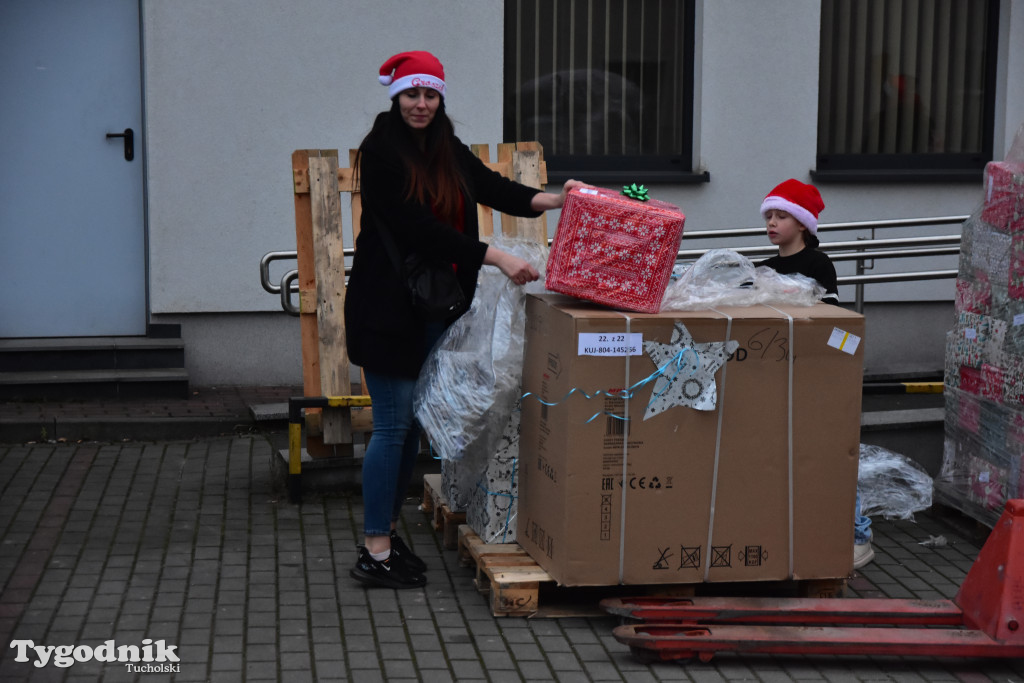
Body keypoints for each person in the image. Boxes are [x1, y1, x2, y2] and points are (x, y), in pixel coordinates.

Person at [344, 50, 584, 589]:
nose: (422, 105)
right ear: (396, 97)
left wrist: (552, 200)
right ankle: (375, 549)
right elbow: (416, 228)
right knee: (392, 426)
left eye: (430, 95)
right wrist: (495, 256)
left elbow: (490, 186)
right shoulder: (381, 152)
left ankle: (383, 536)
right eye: (412, 94)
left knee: (407, 431)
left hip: (429, 306)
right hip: (385, 310)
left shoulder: (444, 146)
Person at [756, 178, 874, 569]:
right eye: (769, 216)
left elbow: (836, 325)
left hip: (817, 377)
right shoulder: (764, 268)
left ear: (803, 223)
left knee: (829, 455)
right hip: (777, 379)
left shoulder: (818, 265)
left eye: (782, 216)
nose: (772, 223)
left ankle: (858, 535)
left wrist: (838, 368)